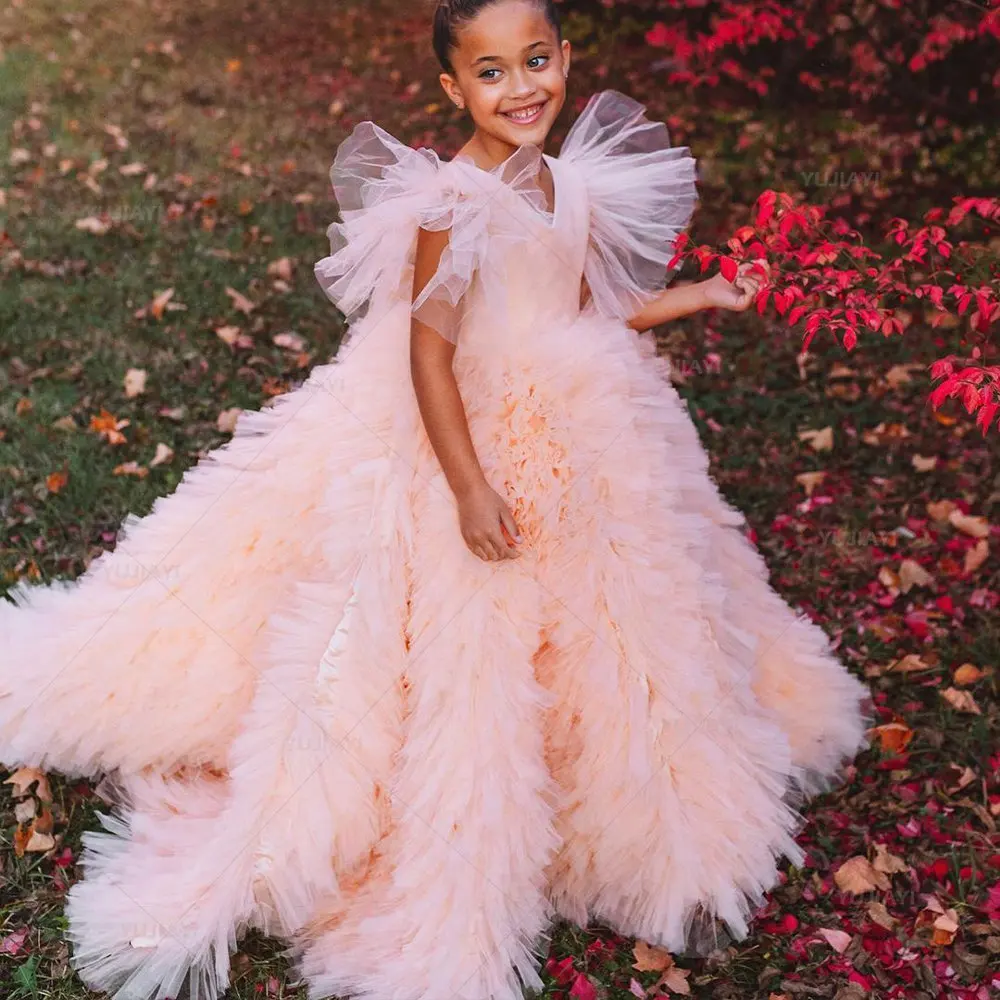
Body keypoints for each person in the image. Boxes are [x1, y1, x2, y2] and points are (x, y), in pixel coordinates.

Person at [0, 1, 874, 998]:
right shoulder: (450, 204)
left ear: (566, 58)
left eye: (536, 61)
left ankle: (629, 806)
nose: (522, 89)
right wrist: (467, 482)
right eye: (491, 73)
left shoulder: (568, 182)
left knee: (621, 620)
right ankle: (465, 827)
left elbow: (591, 300)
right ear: (453, 89)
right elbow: (429, 352)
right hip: (469, 431)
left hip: (587, 430)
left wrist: (707, 294)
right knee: (470, 635)